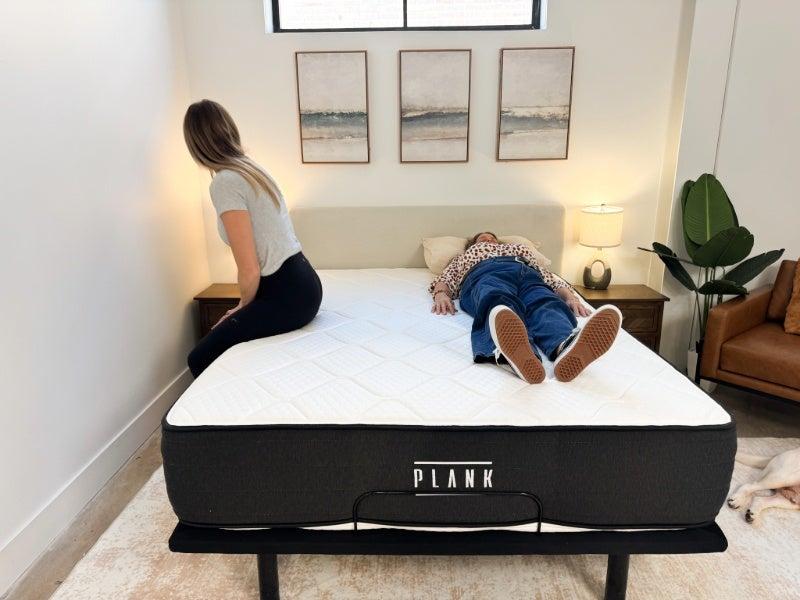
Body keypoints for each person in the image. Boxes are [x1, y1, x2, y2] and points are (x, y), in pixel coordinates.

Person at [183, 100, 322, 377]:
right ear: (229, 129)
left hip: (288, 294)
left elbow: (249, 269)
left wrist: (241, 307)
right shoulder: (251, 168)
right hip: (304, 284)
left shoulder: (225, 182)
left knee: (199, 358)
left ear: (195, 144)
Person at [430, 232, 621, 383]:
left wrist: (571, 298)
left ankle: (565, 345)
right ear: (473, 244)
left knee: (545, 302)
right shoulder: (463, 257)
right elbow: (446, 278)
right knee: (498, 301)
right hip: (486, 274)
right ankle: (517, 354)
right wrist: (441, 294)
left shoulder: (520, 249)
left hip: (529, 275)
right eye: (482, 238)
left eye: (492, 237)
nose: (488, 239)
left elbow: (550, 278)